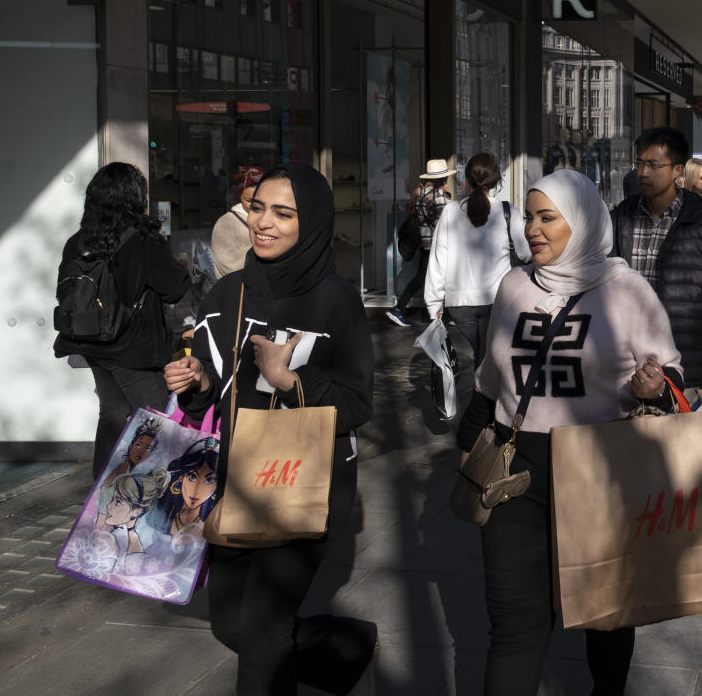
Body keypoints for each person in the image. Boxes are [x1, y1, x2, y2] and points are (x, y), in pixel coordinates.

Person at [459, 169, 682, 696]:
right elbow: (488, 386)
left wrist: (654, 386)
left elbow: (670, 375)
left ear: (580, 222)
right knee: (514, 626)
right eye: (530, 218)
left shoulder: (626, 290)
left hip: (602, 467)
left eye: (547, 218)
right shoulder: (513, 287)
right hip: (516, 470)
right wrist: (466, 450)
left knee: (605, 614)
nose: (532, 230)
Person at [164, 163, 378, 695]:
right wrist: (192, 379)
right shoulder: (226, 294)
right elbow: (210, 384)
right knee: (230, 624)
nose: (264, 222)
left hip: (310, 481)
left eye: (283, 213)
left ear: (312, 223)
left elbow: (356, 404)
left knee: (261, 637)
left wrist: (290, 380)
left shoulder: (338, 301)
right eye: (258, 208)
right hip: (234, 481)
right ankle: (347, 650)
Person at [54, 162, 190, 481]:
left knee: (113, 415)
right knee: (159, 419)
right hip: (134, 348)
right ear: (133, 197)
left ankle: (101, 493)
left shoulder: (77, 241)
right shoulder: (143, 240)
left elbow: (65, 288)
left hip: (93, 342)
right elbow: (174, 288)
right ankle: (166, 501)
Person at [611, 127, 702, 401]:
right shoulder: (621, 218)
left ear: (677, 171)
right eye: (639, 164)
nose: (643, 172)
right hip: (622, 362)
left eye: (653, 165)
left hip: (685, 364)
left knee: (682, 441)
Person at [425, 152, 530, 370]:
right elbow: (526, 254)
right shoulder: (507, 212)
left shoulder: (450, 212)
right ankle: (488, 401)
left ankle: (479, 400)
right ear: (496, 180)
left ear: (467, 178)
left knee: (478, 359)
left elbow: (438, 260)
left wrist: (434, 303)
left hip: (459, 303)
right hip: (499, 299)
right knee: (492, 360)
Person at [387, 159, 453, 327]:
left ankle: (413, 311)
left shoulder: (421, 192)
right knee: (437, 278)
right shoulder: (438, 198)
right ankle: (401, 309)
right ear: (443, 178)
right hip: (436, 245)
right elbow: (444, 224)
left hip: (426, 243)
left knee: (425, 277)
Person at [146, 436, 219, 540]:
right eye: (192, 477)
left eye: (210, 480)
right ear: (181, 477)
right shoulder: (155, 519)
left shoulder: (210, 531)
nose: (197, 490)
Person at [211, 165, 264, 278]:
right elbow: (229, 264)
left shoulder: (268, 220)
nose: (253, 205)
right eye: (248, 200)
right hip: (238, 291)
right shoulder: (226, 222)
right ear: (240, 197)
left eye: (259, 200)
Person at [101, 414, 163, 489]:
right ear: (130, 446)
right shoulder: (120, 469)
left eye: (148, 449)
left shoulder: (144, 474)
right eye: (138, 445)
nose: (141, 451)